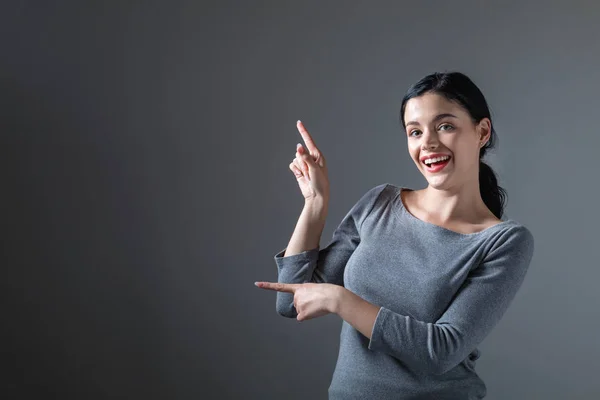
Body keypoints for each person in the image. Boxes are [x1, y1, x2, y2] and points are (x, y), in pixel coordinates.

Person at [255, 71, 535, 399]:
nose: (428, 143)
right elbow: (291, 300)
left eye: (445, 126)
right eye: (415, 131)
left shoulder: (503, 242)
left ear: (482, 131)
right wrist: (315, 203)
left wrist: (340, 300)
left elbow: (441, 351)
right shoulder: (380, 203)